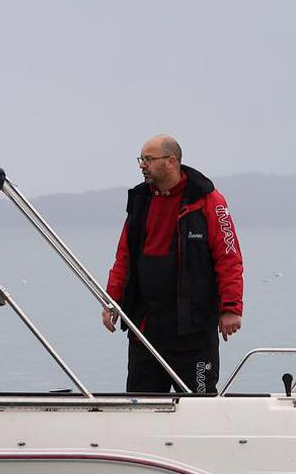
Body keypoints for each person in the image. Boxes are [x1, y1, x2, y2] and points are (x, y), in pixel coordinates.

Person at [103, 134, 243, 393]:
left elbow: (229, 258)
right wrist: (111, 300)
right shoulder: (140, 200)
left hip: (194, 331)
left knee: (200, 404)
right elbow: (123, 257)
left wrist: (231, 307)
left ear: (171, 161)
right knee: (141, 405)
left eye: (148, 159)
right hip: (146, 329)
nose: (142, 165)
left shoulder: (208, 200)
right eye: (141, 159)